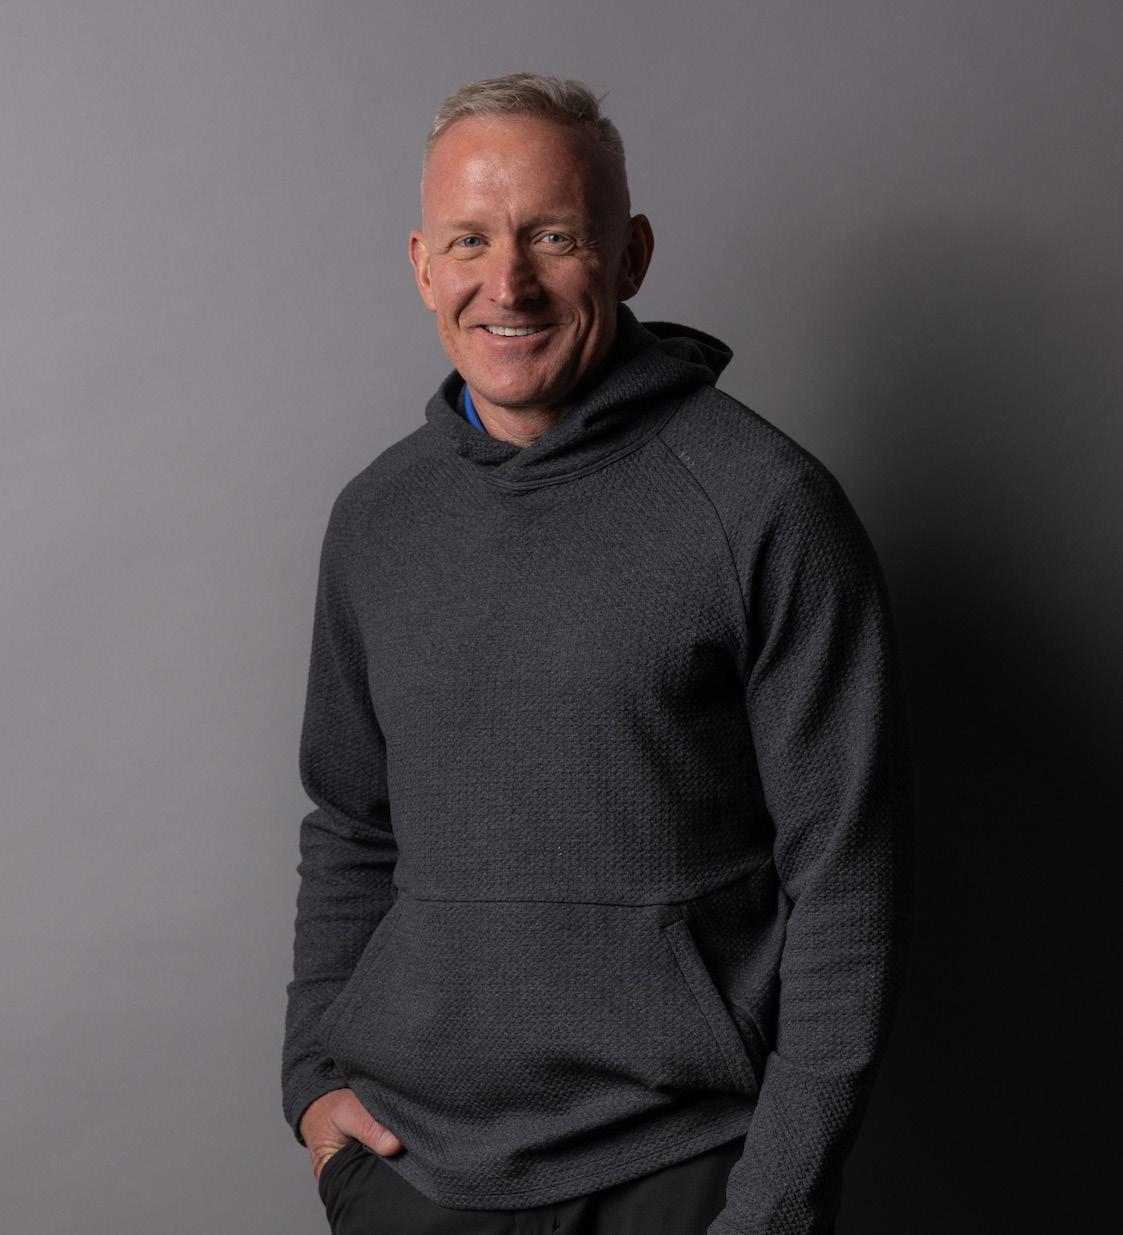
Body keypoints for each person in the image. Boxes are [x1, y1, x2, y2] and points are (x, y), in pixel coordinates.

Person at [281, 72, 913, 1235]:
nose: (507, 282)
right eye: (469, 239)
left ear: (630, 256)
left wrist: (773, 1204)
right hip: (416, 1170)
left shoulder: (765, 506)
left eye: (554, 236)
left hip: (681, 1166)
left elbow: (848, 879)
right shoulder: (376, 519)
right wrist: (314, 1086)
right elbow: (351, 826)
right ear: (422, 264)